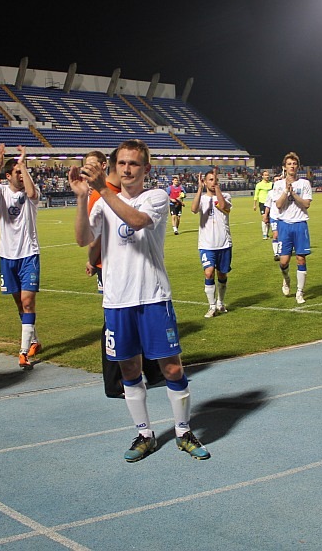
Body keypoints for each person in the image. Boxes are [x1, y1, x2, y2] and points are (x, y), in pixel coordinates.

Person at [68, 138, 210, 462]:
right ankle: (145, 435)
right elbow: (83, 239)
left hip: (153, 296)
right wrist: (81, 199)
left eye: (133, 163)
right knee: (129, 369)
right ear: (114, 167)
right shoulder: (103, 202)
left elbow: (136, 221)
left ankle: (183, 431)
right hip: (117, 301)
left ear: (146, 168)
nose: (127, 169)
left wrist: (102, 189)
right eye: (122, 163)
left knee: (172, 368)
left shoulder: (155, 197)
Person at [84, 149, 163, 398]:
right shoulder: (101, 193)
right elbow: (89, 237)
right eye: (122, 163)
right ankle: (115, 382)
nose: (126, 169)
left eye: (94, 164)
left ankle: (151, 370)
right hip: (110, 268)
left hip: (126, 271)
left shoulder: (116, 192)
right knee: (114, 326)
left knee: (132, 322)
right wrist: (92, 260)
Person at [0, 143, 42, 369]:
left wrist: (24, 164)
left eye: (22, 171)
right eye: (16, 172)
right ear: (8, 175)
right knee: (20, 303)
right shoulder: (1, 192)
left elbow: (30, 193)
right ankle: (34, 340)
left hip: (29, 254)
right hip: (7, 256)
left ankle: (23, 352)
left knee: (28, 302)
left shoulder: (30, 191)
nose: (20, 175)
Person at [191, 168, 233, 317]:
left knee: (222, 275)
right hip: (206, 244)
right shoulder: (202, 199)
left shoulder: (226, 196)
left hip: (224, 243)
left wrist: (218, 190)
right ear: (204, 181)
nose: (213, 182)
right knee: (209, 273)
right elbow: (194, 209)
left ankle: (221, 303)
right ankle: (211, 306)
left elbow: (223, 206)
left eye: (215, 179)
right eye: (210, 179)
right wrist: (199, 190)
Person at [272, 152, 312, 304]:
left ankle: (300, 293)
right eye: (289, 164)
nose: (292, 166)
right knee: (283, 261)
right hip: (284, 225)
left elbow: (307, 204)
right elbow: (279, 204)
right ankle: (286, 279)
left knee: (301, 259)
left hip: (300, 224)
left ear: (298, 167)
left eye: (294, 164)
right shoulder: (278, 185)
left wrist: (293, 193)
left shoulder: (304, 183)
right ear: (284, 167)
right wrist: (286, 191)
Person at [263, 174, 282, 261]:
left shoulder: (285, 192)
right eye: (276, 180)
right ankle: (276, 253)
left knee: (284, 236)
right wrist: (265, 216)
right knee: (275, 234)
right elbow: (268, 206)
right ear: (273, 182)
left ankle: (282, 250)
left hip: (285, 217)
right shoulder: (270, 193)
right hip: (274, 217)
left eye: (279, 179)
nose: (277, 181)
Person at [253, 169, 273, 239]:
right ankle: (264, 234)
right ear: (262, 176)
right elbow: (256, 195)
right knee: (264, 217)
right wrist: (254, 204)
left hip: (270, 203)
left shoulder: (271, 184)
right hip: (262, 203)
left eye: (268, 175)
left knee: (269, 219)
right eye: (265, 175)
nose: (267, 176)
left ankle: (267, 234)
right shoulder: (259, 185)